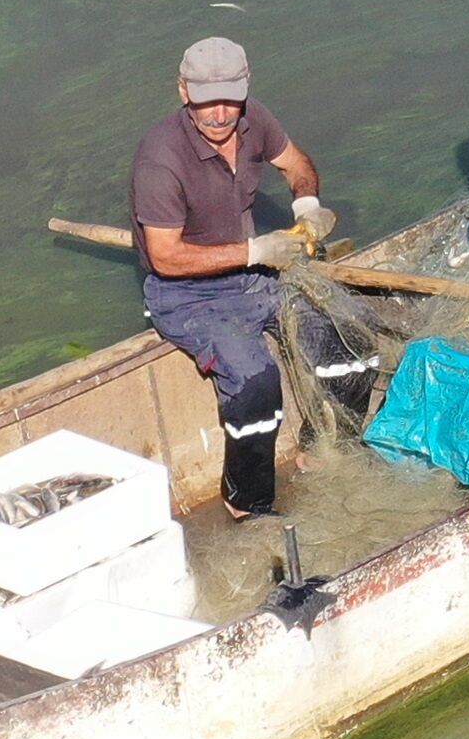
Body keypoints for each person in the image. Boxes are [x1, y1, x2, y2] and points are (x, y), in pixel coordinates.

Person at [131, 34, 329, 519]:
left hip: (251, 277)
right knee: (256, 382)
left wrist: (307, 203)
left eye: (229, 101)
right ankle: (247, 501)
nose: (220, 114)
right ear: (182, 91)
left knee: (339, 340)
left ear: (246, 88)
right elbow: (165, 257)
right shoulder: (160, 160)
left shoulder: (253, 118)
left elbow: (297, 163)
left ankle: (321, 449)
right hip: (186, 294)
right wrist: (254, 248)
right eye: (206, 103)